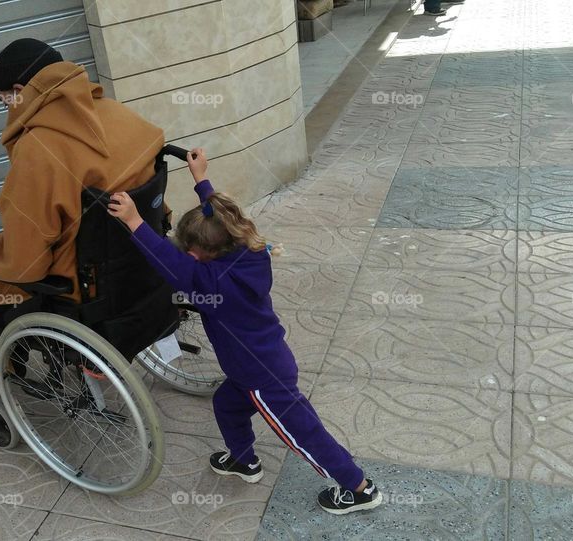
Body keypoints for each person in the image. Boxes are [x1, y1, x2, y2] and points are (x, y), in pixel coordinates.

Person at [106, 148, 383, 516]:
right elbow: (221, 213)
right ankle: (243, 460)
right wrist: (201, 179)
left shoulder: (213, 283)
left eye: (190, 251)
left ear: (203, 254)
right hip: (254, 366)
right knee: (226, 405)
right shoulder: (247, 251)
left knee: (303, 432)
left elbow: (169, 262)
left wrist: (135, 221)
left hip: (262, 377)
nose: (186, 256)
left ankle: (359, 488)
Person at [0, 38, 165, 318]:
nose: (8, 112)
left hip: (80, 285)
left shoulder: (38, 148)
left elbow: (25, 265)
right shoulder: (119, 113)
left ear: (19, 92)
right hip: (143, 257)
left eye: (6, 104)